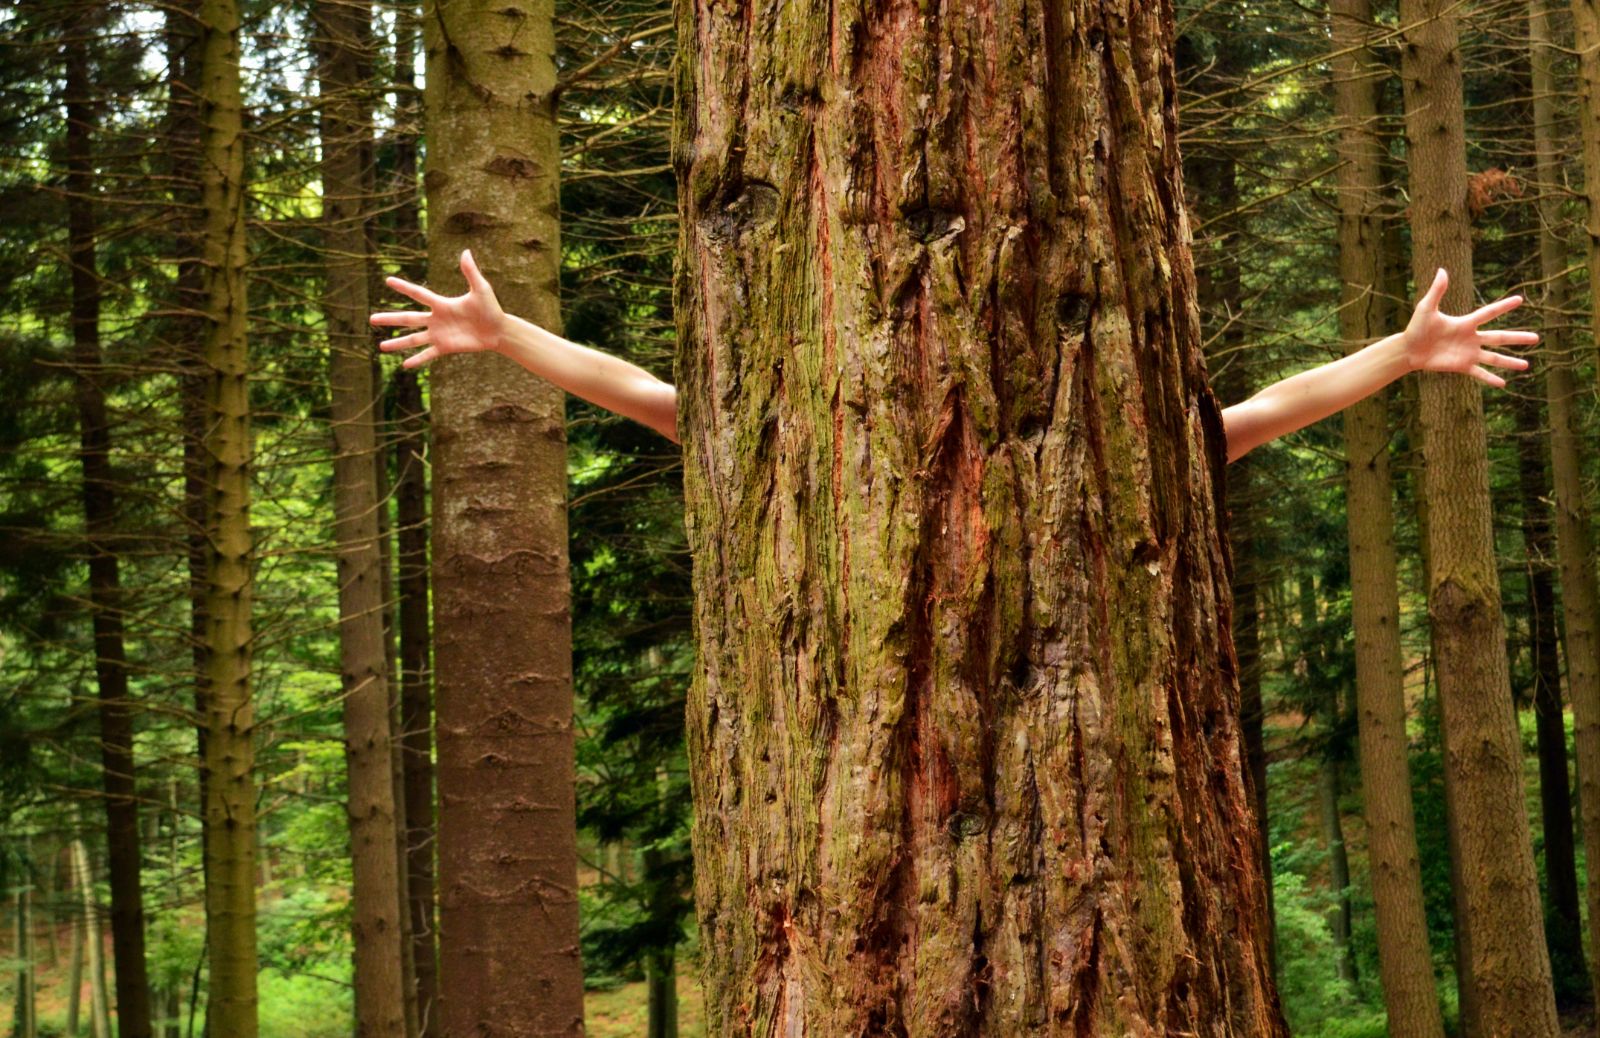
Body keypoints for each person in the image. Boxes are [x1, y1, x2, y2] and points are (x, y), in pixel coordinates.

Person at [371, 250, 1535, 461]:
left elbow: (1266, 408)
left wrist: (1395, 350)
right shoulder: (816, 456)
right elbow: (639, 393)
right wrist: (506, 332)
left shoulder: (1095, 458)